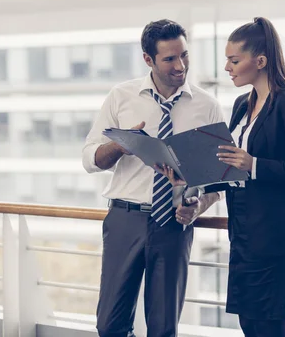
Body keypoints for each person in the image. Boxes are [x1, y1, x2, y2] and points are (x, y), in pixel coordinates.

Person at [160, 17, 285, 337]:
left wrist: (256, 164)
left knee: (269, 325)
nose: (227, 68)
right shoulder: (240, 104)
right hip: (244, 229)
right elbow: (232, 167)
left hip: (275, 232)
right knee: (249, 322)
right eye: (227, 60)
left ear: (260, 61)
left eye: (234, 60)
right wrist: (190, 179)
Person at [82, 19, 224, 337]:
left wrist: (197, 206)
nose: (180, 65)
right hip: (124, 219)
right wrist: (121, 144)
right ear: (148, 59)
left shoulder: (207, 107)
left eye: (184, 55)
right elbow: (89, 159)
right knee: (109, 326)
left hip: (174, 225)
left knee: (163, 329)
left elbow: (218, 182)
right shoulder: (121, 97)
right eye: (169, 58)